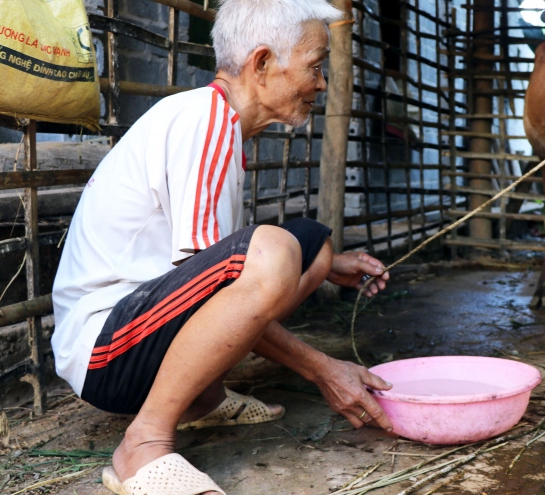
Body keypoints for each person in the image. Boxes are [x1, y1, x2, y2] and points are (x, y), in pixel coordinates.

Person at [51, 1, 393, 493]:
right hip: (105, 352)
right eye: (315, 67)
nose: (322, 83)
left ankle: (201, 399)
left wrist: (330, 264)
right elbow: (226, 282)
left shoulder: (219, 127)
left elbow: (218, 274)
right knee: (273, 252)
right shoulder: (205, 122)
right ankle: (142, 445)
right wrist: (324, 369)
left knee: (311, 244)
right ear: (261, 64)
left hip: (137, 334)